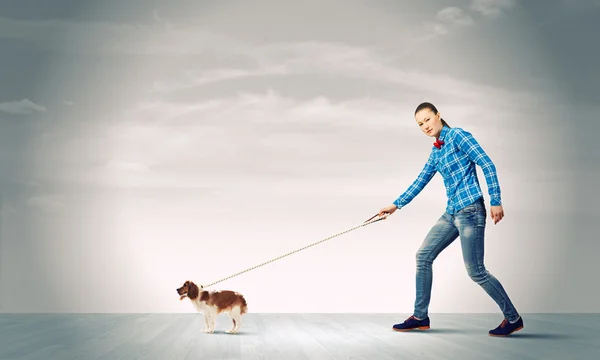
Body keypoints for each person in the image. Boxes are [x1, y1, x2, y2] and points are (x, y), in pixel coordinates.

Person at [378, 102, 523, 337]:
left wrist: (495, 199)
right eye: (420, 124)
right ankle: (420, 316)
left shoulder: (457, 136)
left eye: (427, 119)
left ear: (438, 115)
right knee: (423, 256)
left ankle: (513, 318)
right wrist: (396, 205)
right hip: (451, 213)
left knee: (476, 271)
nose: (425, 126)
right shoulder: (436, 152)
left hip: (470, 211)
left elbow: (486, 163)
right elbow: (420, 181)